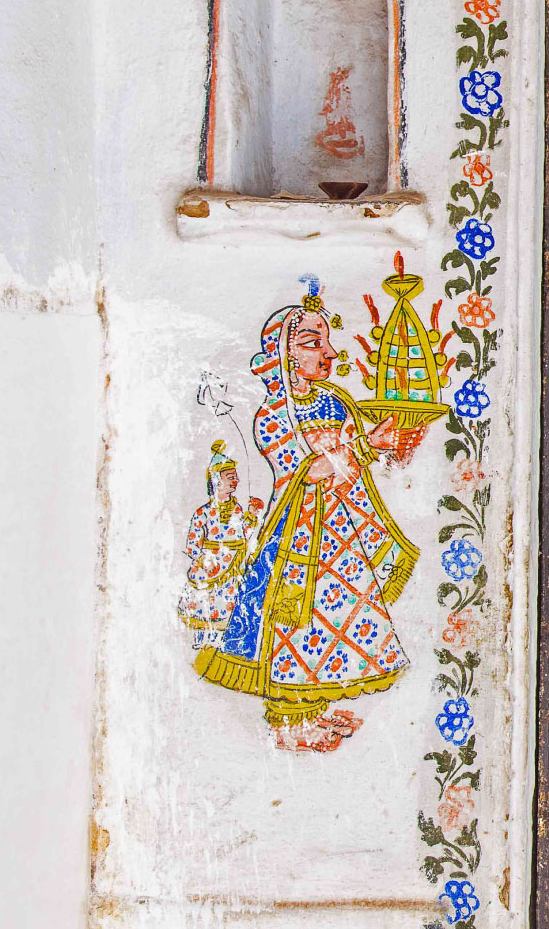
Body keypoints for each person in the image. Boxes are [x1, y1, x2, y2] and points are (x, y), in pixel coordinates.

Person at [193, 280, 416, 753]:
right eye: (313, 343)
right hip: (298, 534)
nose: (328, 353)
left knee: (338, 617)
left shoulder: (334, 402)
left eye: (326, 341)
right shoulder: (274, 415)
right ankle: (287, 724)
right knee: (294, 621)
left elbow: (351, 461)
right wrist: (361, 446)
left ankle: (313, 709)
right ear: (285, 355)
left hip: (341, 529)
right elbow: (306, 470)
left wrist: (376, 449)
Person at [175, 440, 263, 647]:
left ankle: (219, 640)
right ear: (217, 481)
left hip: (233, 565)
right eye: (230, 477)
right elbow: (192, 544)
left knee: (227, 603)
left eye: (235, 477)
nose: (236, 481)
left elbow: (245, 534)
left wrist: (252, 516)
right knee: (205, 601)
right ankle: (201, 637)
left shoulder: (238, 509)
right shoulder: (203, 512)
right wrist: (204, 559)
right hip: (211, 564)